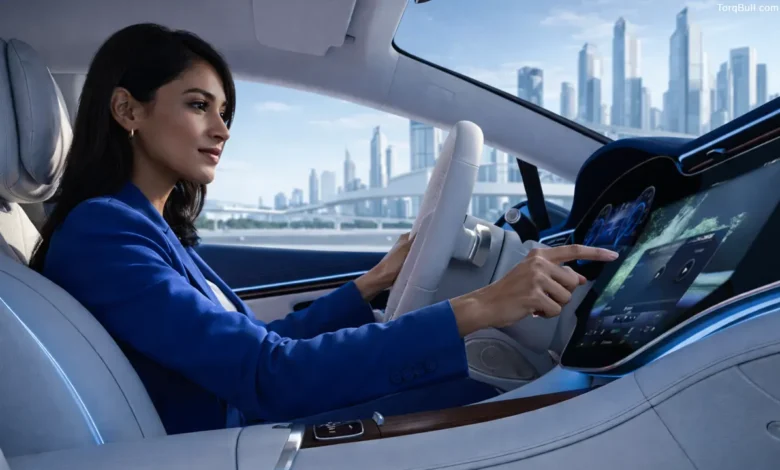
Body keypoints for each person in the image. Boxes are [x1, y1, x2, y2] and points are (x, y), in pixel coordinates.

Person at [31, 23, 618, 435]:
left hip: (247, 417)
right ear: (128, 110)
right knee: (496, 399)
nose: (223, 129)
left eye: (225, 112)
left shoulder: (143, 227)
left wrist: (373, 283)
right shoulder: (103, 234)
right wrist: (481, 305)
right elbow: (271, 374)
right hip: (231, 440)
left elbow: (259, 345)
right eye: (198, 105)